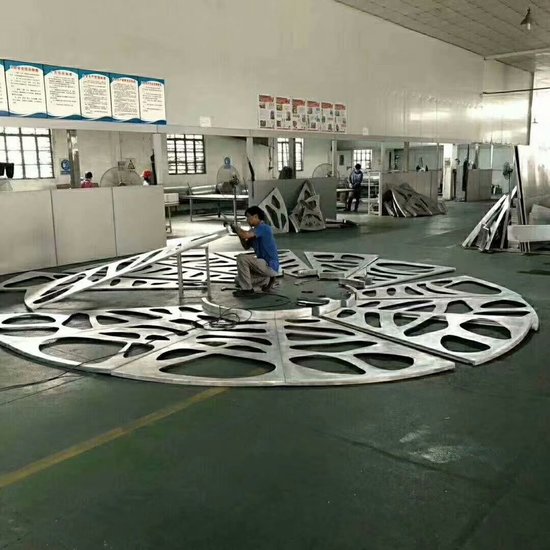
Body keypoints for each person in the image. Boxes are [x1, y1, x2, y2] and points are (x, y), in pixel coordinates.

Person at [231, 206, 279, 297]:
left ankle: (247, 290)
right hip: (263, 267)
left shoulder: (264, 227)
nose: (247, 220)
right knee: (238, 279)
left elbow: (245, 235)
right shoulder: (253, 230)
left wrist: (237, 228)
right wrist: (238, 233)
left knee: (241, 258)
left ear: (256, 216)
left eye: (248, 217)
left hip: (269, 265)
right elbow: (246, 246)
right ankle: (267, 280)